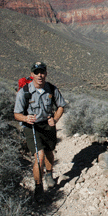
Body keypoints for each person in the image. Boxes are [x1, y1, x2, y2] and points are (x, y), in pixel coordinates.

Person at [14, 62, 67, 201]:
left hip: (48, 125)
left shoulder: (52, 89)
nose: (40, 75)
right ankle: (39, 188)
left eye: (42, 72)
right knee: (40, 156)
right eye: (36, 72)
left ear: (46, 73)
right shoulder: (24, 92)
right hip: (32, 127)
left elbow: (61, 106)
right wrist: (26, 118)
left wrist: (55, 119)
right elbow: (16, 114)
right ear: (32, 75)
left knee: (49, 151)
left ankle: (49, 174)